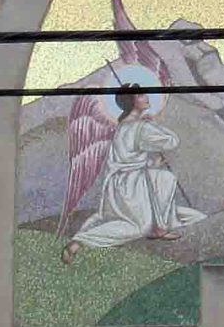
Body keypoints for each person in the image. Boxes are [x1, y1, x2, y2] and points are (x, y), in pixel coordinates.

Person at [65, 87, 205, 257]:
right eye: (140, 95)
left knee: (173, 191)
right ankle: (79, 241)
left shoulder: (122, 126)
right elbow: (172, 141)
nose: (146, 97)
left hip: (119, 185)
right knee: (139, 227)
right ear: (131, 102)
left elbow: (128, 158)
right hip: (132, 187)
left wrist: (151, 162)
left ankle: (159, 225)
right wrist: (152, 123)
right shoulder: (140, 127)